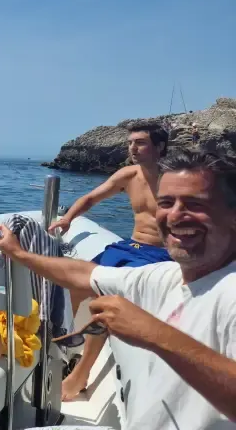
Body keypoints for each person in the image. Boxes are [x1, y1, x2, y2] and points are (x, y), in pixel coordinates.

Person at [0, 149, 236, 430]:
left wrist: (152, 333)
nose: (175, 215)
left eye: (196, 204)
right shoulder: (166, 276)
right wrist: (20, 255)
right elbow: (85, 274)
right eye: (166, 202)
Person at [48, 122, 171, 399]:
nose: (133, 148)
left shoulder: (175, 178)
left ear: (160, 147)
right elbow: (92, 198)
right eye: (130, 143)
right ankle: (56, 348)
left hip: (161, 254)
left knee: (104, 300)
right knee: (72, 284)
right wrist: (68, 219)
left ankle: (81, 374)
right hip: (129, 246)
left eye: (140, 142)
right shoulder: (129, 175)